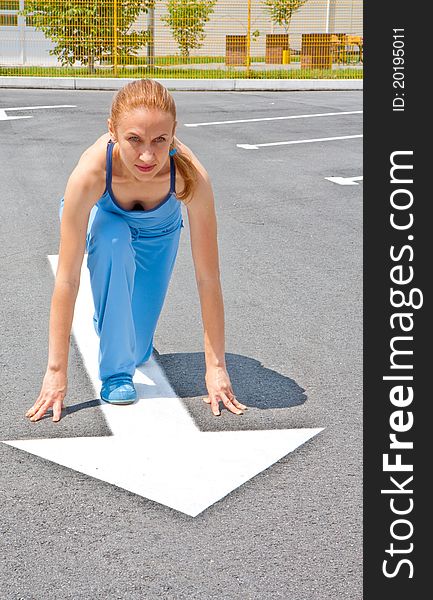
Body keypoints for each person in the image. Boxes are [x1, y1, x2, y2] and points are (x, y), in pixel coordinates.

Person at [25, 78, 247, 423]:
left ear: (174, 133)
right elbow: (67, 279)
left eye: (160, 140)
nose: (147, 155)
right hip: (104, 220)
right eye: (134, 139)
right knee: (113, 240)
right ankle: (116, 374)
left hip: (159, 233)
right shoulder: (91, 172)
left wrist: (216, 366)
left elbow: (207, 277)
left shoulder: (190, 176)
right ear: (112, 130)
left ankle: (112, 323)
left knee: (139, 347)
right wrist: (55, 371)